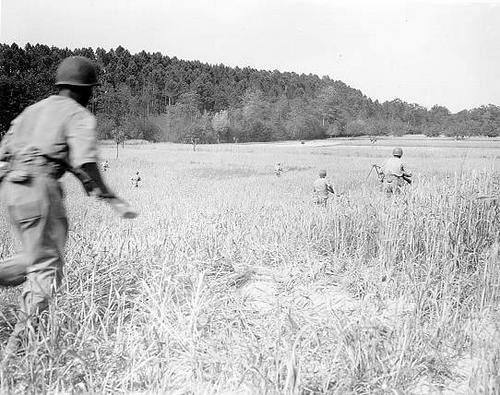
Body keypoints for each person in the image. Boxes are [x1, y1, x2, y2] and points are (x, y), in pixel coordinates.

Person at [0, 56, 137, 358]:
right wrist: (107, 192)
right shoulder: (78, 115)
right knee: (47, 267)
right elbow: (85, 160)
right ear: (86, 90)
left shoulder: (32, 110)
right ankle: (17, 349)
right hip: (41, 188)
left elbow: (8, 151)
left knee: (35, 257)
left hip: (12, 187)